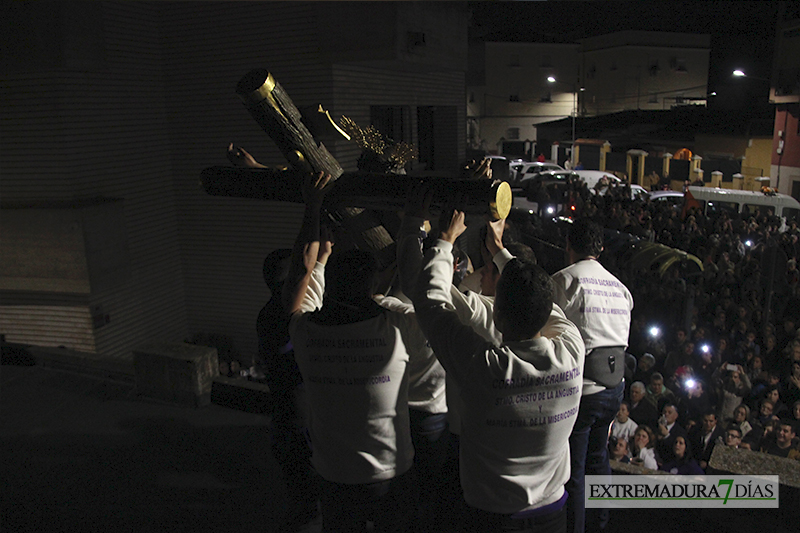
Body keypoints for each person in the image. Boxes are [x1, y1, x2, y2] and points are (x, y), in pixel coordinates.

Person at [410, 204, 585, 532]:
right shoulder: (573, 351)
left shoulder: (483, 365)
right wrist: (501, 253)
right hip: (552, 512)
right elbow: (545, 305)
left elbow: (430, 302)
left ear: (498, 316)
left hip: (489, 517)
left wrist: (444, 241)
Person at [284, 172, 426, 532]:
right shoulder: (400, 325)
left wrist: (313, 210)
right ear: (372, 287)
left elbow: (302, 274)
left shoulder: (305, 331)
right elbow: (430, 298)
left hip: (333, 473)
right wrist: (415, 228)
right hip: (390, 471)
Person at [551, 218, 633, 533]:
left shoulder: (564, 281)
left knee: (575, 470)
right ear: (600, 248)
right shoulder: (621, 289)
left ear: (568, 245)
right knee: (600, 462)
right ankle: (601, 524)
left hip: (582, 390)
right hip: (614, 389)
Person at [257, 248, 319, 530]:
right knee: (307, 492)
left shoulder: (269, 313)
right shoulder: (283, 316)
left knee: (299, 488)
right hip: (297, 419)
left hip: (286, 416)